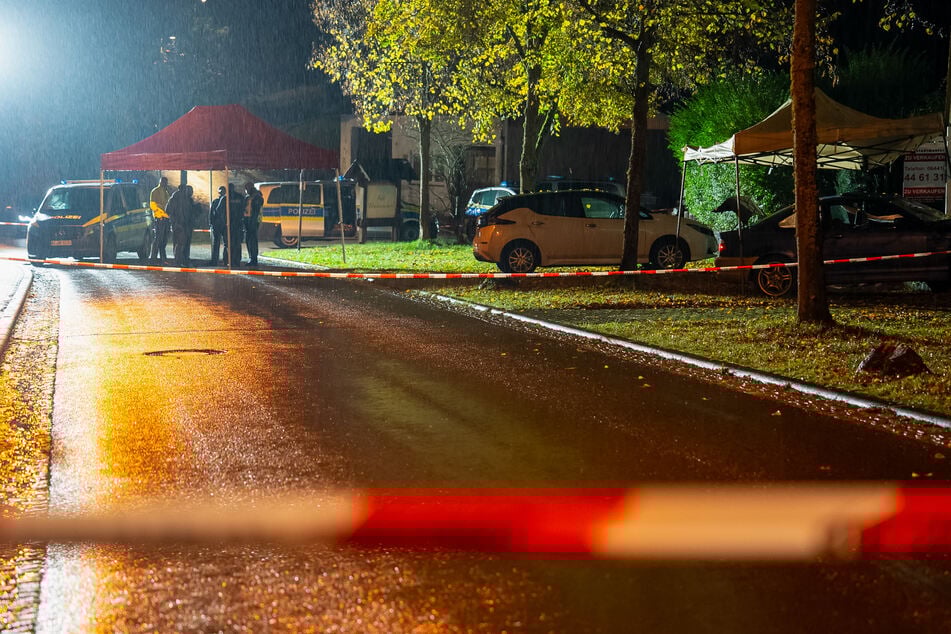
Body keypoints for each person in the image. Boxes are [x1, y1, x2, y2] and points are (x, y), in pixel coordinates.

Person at [166, 184, 194, 267]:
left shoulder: (181, 199)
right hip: (179, 224)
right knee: (180, 244)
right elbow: (169, 211)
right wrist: (176, 222)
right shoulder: (177, 199)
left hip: (181, 224)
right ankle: (178, 262)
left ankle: (180, 261)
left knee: (180, 243)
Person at [149, 176, 172, 264]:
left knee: (164, 239)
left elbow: (168, 204)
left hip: (165, 218)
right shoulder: (155, 191)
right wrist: (161, 214)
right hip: (159, 218)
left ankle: (163, 258)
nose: (165, 184)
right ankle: (153, 259)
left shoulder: (166, 192)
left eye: (166, 182)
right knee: (158, 238)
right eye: (164, 182)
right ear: (161, 182)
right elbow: (153, 205)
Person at [243, 182, 263, 267]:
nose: (246, 190)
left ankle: (253, 258)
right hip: (247, 219)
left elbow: (257, 210)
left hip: (253, 220)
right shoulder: (248, 197)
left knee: (252, 240)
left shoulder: (257, 196)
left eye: (247, 188)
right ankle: (251, 257)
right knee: (248, 239)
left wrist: (252, 220)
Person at [208, 186, 228, 265]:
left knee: (222, 243)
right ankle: (221, 261)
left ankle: (223, 260)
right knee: (218, 243)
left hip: (222, 224)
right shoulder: (216, 201)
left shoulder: (219, 201)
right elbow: (211, 213)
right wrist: (211, 223)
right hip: (219, 225)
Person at [227, 183, 244, 267]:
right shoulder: (240, 197)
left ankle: (231, 260)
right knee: (236, 243)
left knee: (230, 243)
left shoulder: (226, 198)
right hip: (237, 223)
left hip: (231, 223)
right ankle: (236, 260)